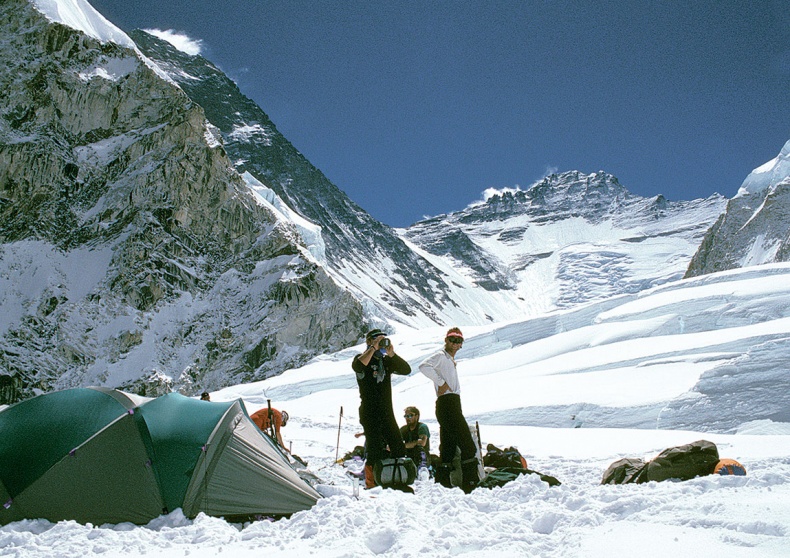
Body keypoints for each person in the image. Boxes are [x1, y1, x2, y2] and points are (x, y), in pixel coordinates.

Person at [418, 327, 480, 493]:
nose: (455, 343)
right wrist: (441, 383)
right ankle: (471, 484)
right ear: (446, 340)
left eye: (459, 341)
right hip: (448, 403)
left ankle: (443, 482)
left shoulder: (449, 360)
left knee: (448, 446)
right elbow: (423, 366)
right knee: (467, 446)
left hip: (450, 404)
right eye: (452, 339)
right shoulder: (441, 356)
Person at [351, 328, 411, 479]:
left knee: (398, 446)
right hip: (370, 411)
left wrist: (391, 353)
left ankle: (394, 476)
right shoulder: (362, 358)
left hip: (386, 411)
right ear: (369, 341)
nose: (381, 342)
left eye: (383, 339)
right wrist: (373, 348)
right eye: (376, 339)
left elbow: (406, 370)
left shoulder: (385, 361)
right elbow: (358, 366)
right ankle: (371, 481)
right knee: (374, 448)